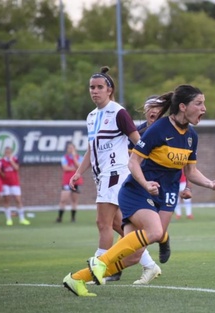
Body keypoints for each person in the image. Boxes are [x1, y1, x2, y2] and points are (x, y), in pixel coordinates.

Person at [63, 84, 215, 296]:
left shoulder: (192, 136)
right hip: (137, 190)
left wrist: (211, 184)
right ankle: (100, 262)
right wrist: (146, 184)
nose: (204, 108)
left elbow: (191, 171)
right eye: (199, 103)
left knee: (133, 256)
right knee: (156, 232)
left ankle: (76, 279)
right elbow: (133, 163)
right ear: (183, 106)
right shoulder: (158, 129)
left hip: (165, 194)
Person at [67, 66, 140, 281]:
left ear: (110, 90)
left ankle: (98, 269)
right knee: (119, 225)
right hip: (102, 176)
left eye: (99, 87)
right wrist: (78, 172)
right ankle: (147, 263)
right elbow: (92, 149)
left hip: (116, 173)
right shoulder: (91, 116)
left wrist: (142, 168)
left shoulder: (119, 112)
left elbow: (138, 142)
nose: (94, 91)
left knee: (102, 223)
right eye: (92, 87)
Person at [0, 146, 30, 226]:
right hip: (5, 184)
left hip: (15, 183)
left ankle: (22, 219)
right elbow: (1, 172)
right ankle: (9, 219)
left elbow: (17, 168)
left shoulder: (15, 159)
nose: (8, 153)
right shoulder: (1, 161)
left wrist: (11, 161)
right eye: (6, 152)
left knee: (18, 200)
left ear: (11, 152)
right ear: (4, 153)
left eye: (9, 152)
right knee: (6, 200)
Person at [56, 142, 83, 223]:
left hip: (77, 182)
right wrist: (75, 168)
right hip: (67, 182)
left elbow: (80, 166)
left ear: (75, 149)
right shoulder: (64, 158)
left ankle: (73, 218)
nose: (70, 149)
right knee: (63, 199)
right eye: (69, 148)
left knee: (74, 200)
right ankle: (60, 218)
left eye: (72, 148)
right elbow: (65, 168)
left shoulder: (79, 157)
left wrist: (74, 158)